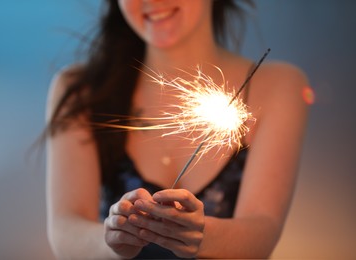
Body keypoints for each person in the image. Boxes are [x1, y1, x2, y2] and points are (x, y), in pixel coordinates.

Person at [45, 0, 309, 258]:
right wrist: (112, 239)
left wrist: (203, 235)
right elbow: (66, 229)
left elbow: (262, 231)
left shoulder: (278, 86)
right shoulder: (81, 91)